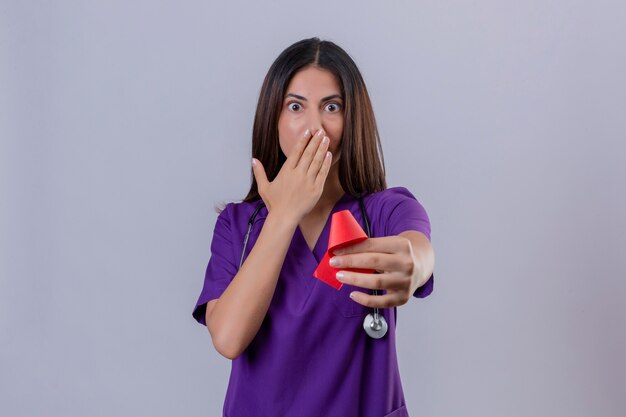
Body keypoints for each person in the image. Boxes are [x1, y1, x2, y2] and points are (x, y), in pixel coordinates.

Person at [192, 37, 436, 417]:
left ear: (353, 119)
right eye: (295, 106)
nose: (315, 127)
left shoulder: (384, 211)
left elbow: (417, 248)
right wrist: (285, 214)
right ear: (273, 119)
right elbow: (228, 338)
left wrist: (416, 264)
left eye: (332, 107)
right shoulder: (237, 225)